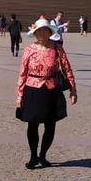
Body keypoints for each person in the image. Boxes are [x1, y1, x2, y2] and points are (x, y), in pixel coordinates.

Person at [16, 18, 77, 169]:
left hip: (51, 89)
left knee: (50, 125)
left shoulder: (57, 49)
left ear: (49, 32)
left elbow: (67, 69)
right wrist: (19, 95)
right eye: (38, 31)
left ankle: (43, 155)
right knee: (32, 124)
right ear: (35, 33)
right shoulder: (29, 49)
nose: (41, 33)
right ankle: (33, 156)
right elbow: (22, 73)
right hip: (32, 89)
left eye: (44, 30)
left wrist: (73, 90)